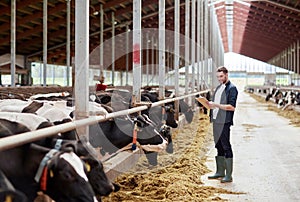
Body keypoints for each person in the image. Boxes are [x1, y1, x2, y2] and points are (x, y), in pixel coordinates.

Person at [207, 66, 238, 183]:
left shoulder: (232, 88)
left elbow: (232, 107)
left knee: (226, 146)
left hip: (224, 121)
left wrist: (216, 105)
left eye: (221, 76)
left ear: (226, 75)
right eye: (218, 77)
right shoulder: (219, 88)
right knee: (218, 145)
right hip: (216, 120)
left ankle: (228, 175)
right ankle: (220, 172)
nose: (219, 79)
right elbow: (216, 104)